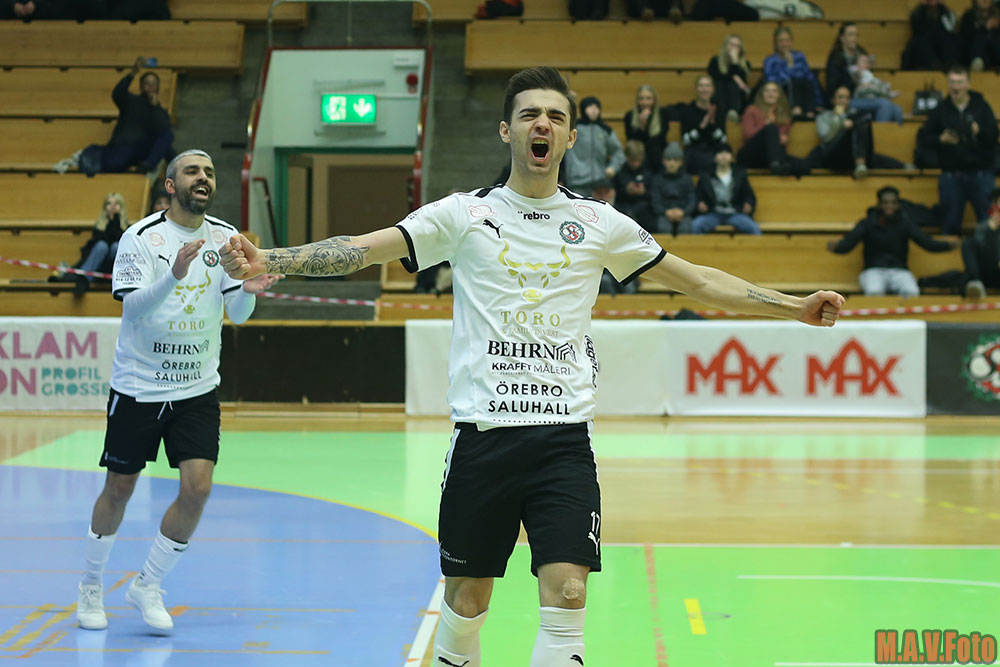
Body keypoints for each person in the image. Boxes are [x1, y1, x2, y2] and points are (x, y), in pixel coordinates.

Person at [219, 66, 844, 666]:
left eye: (555, 117)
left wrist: (793, 306)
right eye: (528, 115)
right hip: (482, 440)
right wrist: (270, 260)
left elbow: (698, 281)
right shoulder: (463, 215)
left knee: (569, 594)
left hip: (563, 443)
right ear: (507, 131)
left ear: (569, 138)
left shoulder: (599, 224)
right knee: (467, 602)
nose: (541, 124)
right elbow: (361, 249)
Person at [74, 149, 282, 634]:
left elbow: (237, 315)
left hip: (197, 388)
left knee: (197, 488)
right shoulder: (140, 237)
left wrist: (248, 292)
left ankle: (148, 585)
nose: (203, 178)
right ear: (171, 185)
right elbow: (133, 310)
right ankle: (90, 584)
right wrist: (174, 275)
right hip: (139, 387)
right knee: (119, 488)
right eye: (192, 171)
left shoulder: (227, 238)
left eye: (209, 172)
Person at [827, 185, 958, 297]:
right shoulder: (867, 223)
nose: (889, 206)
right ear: (879, 205)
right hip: (873, 270)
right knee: (874, 291)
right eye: (886, 203)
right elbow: (849, 243)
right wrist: (837, 247)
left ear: (898, 205)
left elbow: (926, 242)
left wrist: (947, 245)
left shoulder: (905, 223)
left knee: (911, 291)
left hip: (900, 270)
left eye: (893, 203)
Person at [53, 57, 173, 177]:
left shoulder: (158, 110)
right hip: (122, 149)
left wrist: (155, 106)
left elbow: (164, 129)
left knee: (167, 139)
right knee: (166, 150)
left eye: (154, 84)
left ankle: (150, 166)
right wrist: (133, 72)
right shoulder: (131, 101)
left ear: (158, 88)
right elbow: (118, 93)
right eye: (147, 83)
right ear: (141, 86)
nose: (150, 87)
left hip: (140, 151)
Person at [916, 66, 998, 235]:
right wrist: (941, 139)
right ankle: (950, 251)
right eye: (952, 82)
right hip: (951, 174)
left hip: (981, 173)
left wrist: (979, 131)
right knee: (950, 223)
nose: (956, 87)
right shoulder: (940, 109)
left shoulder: (982, 107)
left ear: (968, 84)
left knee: (990, 223)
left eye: (960, 82)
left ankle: (991, 252)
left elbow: (994, 137)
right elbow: (923, 139)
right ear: (947, 84)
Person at [811, 87, 904, 179]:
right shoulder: (824, 117)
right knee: (859, 123)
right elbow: (827, 138)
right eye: (840, 97)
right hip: (834, 155)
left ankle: (862, 163)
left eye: (847, 97)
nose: (844, 101)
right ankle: (860, 163)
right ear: (833, 100)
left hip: (853, 154)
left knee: (862, 122)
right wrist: (839, 118)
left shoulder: (855, 115)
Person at [564, 96, 624, 201]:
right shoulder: (573, 128)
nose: (594, 110)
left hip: (600, 184)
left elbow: (618, 153)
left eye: (596, 107)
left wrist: (612, 168)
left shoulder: (605, 130)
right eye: (590, 107)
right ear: (583, 109)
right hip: (577, 182)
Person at [691, 143, 759, 235]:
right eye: (720, 153)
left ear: (732, 157)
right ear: (715, 158)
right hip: (712, 213)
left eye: (727, 152)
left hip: (735, 213)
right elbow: (697, 195)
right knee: (696, 225)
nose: (723, 156)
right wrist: (699, 204)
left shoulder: (740, 175)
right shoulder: (705, 176)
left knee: (753, 228)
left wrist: (749, 204)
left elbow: (749, 195)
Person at [763, 26, 824, 120]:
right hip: (782, 96)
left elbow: (809, 78)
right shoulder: (770, 61)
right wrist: (789, 66)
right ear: (776, 43)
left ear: (791, 42)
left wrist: (819, 103)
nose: (784, 44)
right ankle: (796, 109)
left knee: (807, 81)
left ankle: (810, 110)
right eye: (781, 41)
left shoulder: (800, 57)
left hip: (803, 95)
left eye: (787, 40)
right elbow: (772, 82)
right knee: (792, 82)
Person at [738, 81, 798, 174]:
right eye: (767, 91)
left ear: (779, 95)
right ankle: (776, 164)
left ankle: (777, 164)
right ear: (762, 94)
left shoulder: (784, 114)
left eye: (774, 91)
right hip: (750, 155)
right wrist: (766, 125)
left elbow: (781, 141)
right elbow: (747, 135)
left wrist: (782, 139)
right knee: (770, 128)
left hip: (769, 156)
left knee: (802, 165)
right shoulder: (752, 110)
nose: (771, 94)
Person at [675, 74, 729, 175]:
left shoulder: (718, 110)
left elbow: (723, 140)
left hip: (713, 152)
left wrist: (712, 126)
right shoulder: (687, 110)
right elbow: (686, 141)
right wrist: (702, 127)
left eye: (707, 86)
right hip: (693, 152)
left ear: (712, 89)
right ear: (696, 89)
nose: (704, 89)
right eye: (701, 86)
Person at [650, 142, 697, 235]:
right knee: (662, 228)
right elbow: (655, 201)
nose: (672, 163)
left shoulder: (687, 179)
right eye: (668, 160)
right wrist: (666, 212)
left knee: (686, 228)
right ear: (663, 161)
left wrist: (683, 212)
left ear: (681, 162)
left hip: (683, 214)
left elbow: (692, 200)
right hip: (663, 214)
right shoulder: (657, 179)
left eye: (675, 160)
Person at [962, 188, 1000, 297]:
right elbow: (980, 252)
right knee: (968, 242)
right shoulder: (983, 227)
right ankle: (975, 282)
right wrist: (990, 231)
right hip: (986, 272)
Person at [624, 85, 671, 174]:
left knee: (654, 150)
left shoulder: (663, 114)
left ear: (654, 100)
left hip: (657, 153)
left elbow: (661, 139)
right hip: (637, 154)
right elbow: (631, 140)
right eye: (641, 99)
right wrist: (642, 126)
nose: (644, 102)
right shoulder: (629, 116)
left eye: (648, 99)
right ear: (637, 101)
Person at [902, 0, 961, 70]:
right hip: (925, 45)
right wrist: (922, 7)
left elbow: (950, 28)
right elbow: (916, 29)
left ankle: (948, 64)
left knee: (947, 39)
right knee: (921, 41)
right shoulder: (919, 12)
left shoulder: (945, 12)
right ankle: (933, 64)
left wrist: (942, 8)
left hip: (942, 44)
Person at [708, 34, 753, 123]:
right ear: (725, 46)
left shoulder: (746, 65)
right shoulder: (715, 61)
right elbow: (716, 78)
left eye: (737, 46)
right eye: (731, 45)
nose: (734, 48)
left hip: (738, 97)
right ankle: (724, 114)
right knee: (721, 84)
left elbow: (742, 85)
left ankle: (733, 112)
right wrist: (734, 77)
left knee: (733, 85)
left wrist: (734, 62)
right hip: (719, 94)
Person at [612, 141, 656, 232]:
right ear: (626, 157)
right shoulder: (620, 173)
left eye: (638, 160)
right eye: (632, 160)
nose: (635, 164)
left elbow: (655, 195)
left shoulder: (648, 173)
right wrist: (626, 191)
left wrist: (644, 192)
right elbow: (614, 195)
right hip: (624, 207)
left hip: (643, 209)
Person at [850, 54, 904, 124]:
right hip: (856, 100)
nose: (866, 64)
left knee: (897, 109)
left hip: (872, 100)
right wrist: (879, 89)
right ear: (855, 63)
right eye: (863, 61)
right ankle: (881, 130)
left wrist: (878, 88)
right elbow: (863, 89)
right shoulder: (853, 73)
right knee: (885, 104)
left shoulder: (869, 74)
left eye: (867, 62)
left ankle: (895, 131)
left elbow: (874, 87)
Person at [825, 22, 868, 102]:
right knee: (884, 104)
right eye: (851, 35)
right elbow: (833, 86)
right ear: (842, 38)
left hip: (865, 94)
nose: (854, 38)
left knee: (889, 105)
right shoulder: (835, 59)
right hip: (845, 99)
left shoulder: (862, 54)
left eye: (856, 35)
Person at [959, 0, 1000, 71]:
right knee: (979, 37)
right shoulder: (969, 16)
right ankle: (977, 61)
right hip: (973, 53)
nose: (985, 0)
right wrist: (985, 28)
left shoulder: (997, 15)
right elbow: (966, 39)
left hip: (994, 54)